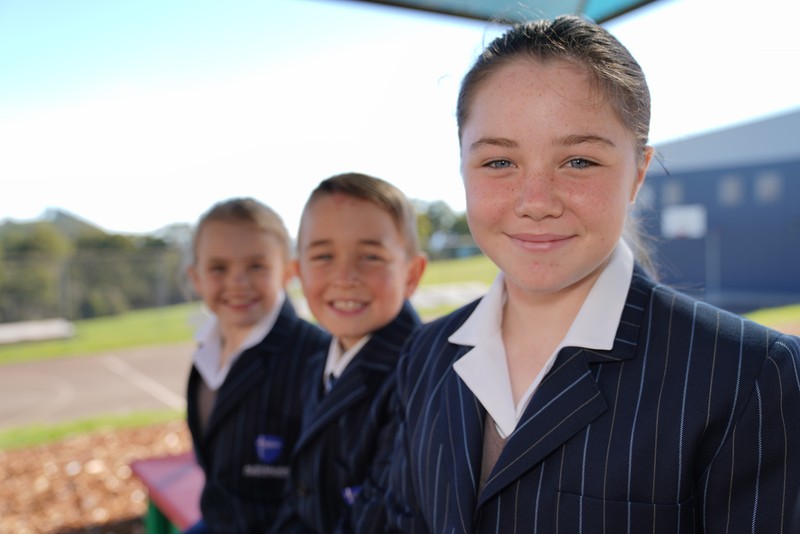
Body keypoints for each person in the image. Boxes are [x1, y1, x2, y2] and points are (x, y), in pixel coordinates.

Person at [384, 15, 800, 533]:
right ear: (462, 165)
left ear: (638, 173)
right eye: (498, 163)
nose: (535, 202)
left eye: (578, 161)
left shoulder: (748, 375)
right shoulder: (423, 357)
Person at [271, 172, 427, 533]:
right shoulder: (317, 363)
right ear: (298, 273)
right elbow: (300, 491)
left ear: (411, 274)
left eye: (371, 256)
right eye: (323, 256)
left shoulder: (417, 377)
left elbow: (384, 519)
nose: (344, 276)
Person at [184, 198, 330, 533]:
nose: (238, 282)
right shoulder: (206, 350)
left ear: (288, 272)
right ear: (196, 278)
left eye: (256, 266)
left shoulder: (314, 357)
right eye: (218, 268)